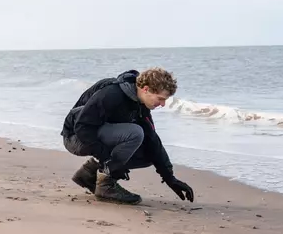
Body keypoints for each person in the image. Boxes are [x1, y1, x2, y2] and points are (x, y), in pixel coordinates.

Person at [61, 68, 195, 205]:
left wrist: (170, 179)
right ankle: (106, 186)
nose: (162, 104)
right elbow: (82, 127)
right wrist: (108, 159)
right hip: (75, 137)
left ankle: (89, 175)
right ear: (146, 89)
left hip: (94, 135)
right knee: (135, 133)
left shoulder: (140, 104)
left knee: (148, 155)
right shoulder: (112, 94)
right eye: (160, 99)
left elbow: (152, 139)